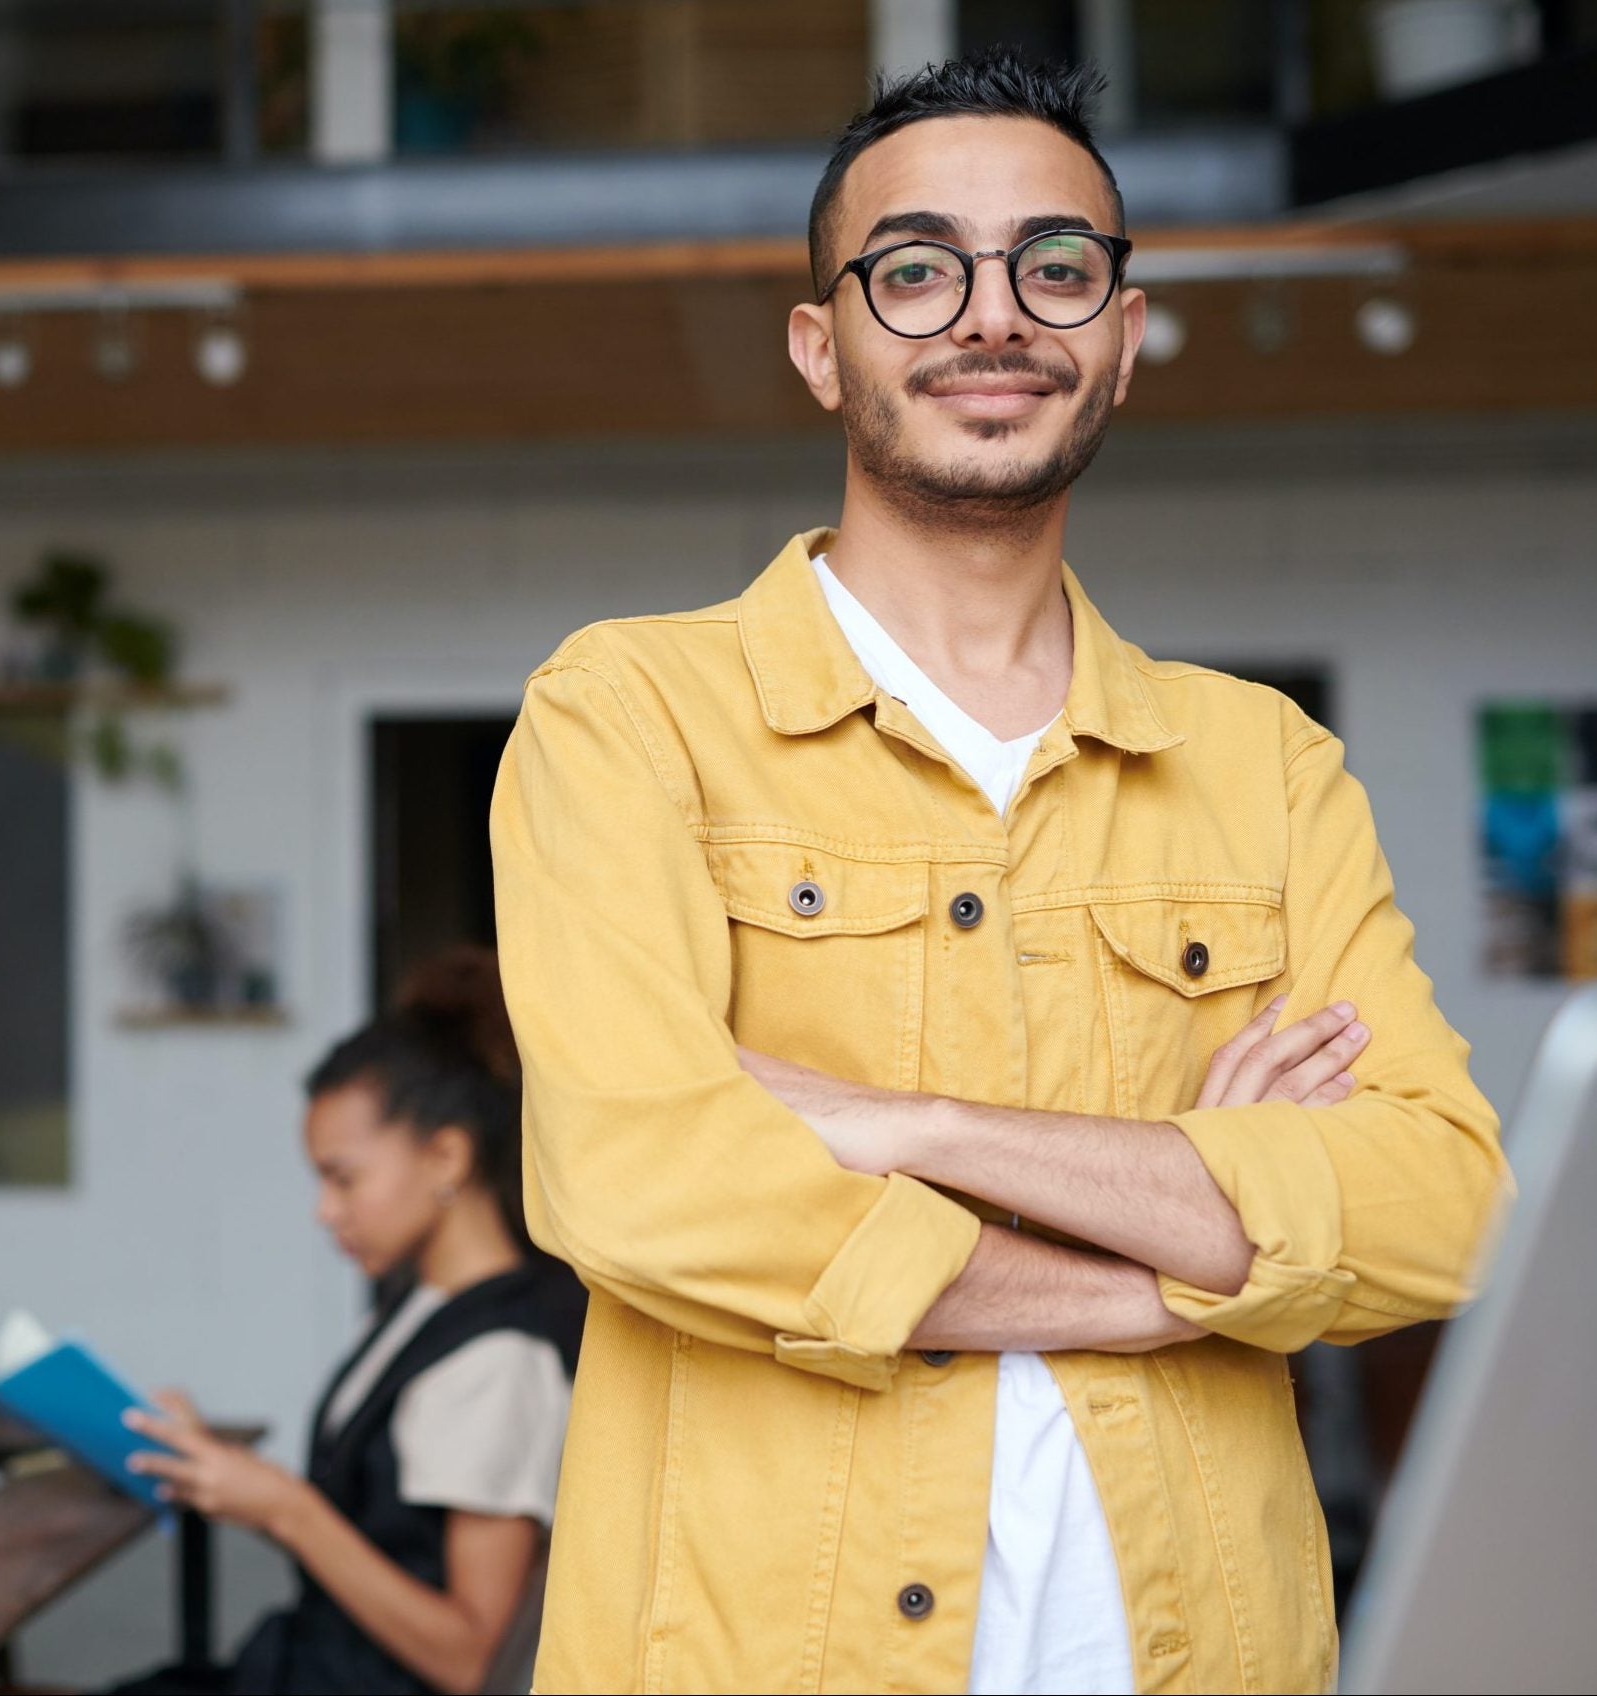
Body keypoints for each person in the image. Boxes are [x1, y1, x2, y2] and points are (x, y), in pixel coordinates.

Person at [489, 53, 1511, 1696]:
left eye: (1053, 266)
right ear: (820, 348)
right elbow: (637, 1181)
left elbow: (1439, 1210)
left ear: (1119, 335)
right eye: (913, 271)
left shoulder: (1260, 767)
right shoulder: (627, 715)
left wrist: (913, 1130)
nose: (989, 315)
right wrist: (1173, 1266)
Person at [117, 949, 583, 1696]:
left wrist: (286, 1509)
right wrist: (214, 1466)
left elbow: (469, 1658)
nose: (324, 1210)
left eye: (344, 1178)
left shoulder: (499, 1360)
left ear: (446, 1157)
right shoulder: (420, 1303)